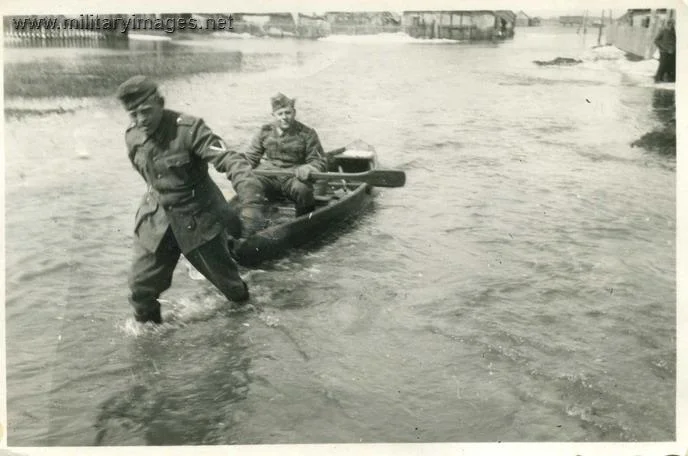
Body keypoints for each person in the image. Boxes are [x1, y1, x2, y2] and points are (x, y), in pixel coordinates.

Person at [116, 75, 265, 324]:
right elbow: (148, 176)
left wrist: (251, 205)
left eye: (146, 111)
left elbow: (231, 161)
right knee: (140, 288)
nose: (140, 120)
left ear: (160, 103)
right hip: (157, 221)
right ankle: (151, 343)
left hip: (198, 220)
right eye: (133, 114)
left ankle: (243, 328)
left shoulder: (190, 129)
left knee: (231, 288)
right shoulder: (133, 136)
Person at [244, 93, 326, 216]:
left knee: (302, 190)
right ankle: (254, 218)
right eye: (280, 114)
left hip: (293, 176)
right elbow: (251, 157)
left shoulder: (307, 133)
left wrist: (308, 168)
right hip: (269, 176)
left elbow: (319, 161)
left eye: (288, 113)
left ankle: (305, 218)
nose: (284, 117)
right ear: (274, 115)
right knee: (249, 185)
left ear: (294, 113)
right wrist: (239, 167)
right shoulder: (264, 131)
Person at [653, 18, 676, 83]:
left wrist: (673, 49)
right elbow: (656, 40)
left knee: (668, 65)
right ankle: (657, 79)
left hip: (671, 51)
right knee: (662, 65)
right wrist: (662, 48)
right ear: (668, 24)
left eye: (673, 24)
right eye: (670, 23)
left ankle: (663, 78)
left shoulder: (673, 32)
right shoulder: (663, 31)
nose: (671, 25)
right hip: (664, 51)